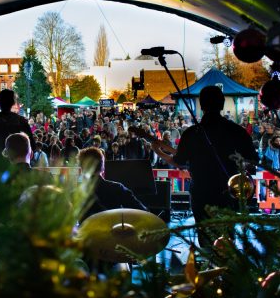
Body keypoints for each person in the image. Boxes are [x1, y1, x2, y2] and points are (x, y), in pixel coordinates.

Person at [151, 85, 257, 250]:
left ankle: (208, 272)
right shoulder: (237, 131)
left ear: (201, 105)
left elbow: (179, 161)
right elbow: (253, 161)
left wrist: (159, 151)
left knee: (206, 239)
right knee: (227, 240)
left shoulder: (192, 133)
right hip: (229, 194)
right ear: (222, 105)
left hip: (202, 194)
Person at [78, 147, 147, 223]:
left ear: (82, 169)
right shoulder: (117, 188)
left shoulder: (75, 193)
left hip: (85, 234)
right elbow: (143, 211)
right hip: (114, 233)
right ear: (103, 167)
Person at [0, 89, 35, 166]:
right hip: (17, 169)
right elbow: (32, 146)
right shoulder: (21, 121)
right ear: (12, 103)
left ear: (0, 103)